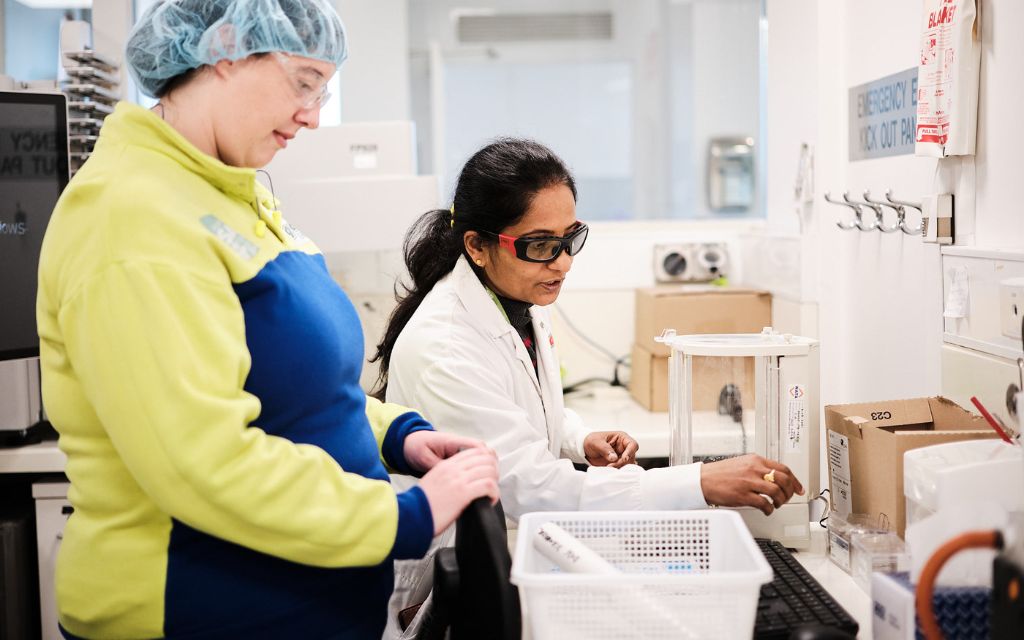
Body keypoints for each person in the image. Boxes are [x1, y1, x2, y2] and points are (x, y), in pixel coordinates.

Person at [35, 2, 497, 638]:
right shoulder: (131, 217)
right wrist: (403, 515)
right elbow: (203, 460)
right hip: (192, 608)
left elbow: (287, 386)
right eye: (304, 82)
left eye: (323, 92)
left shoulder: (227, 192)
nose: (312, 116)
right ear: (222, 52)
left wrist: (395, 436)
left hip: (297, 602)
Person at [373, 138, 805, 635]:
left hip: (484, 555)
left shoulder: (518, 300)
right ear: (477, 246)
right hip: (437, 581)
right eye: (540, 245)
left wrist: (577, 436)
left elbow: (521, 402)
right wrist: (699, 482)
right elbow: (531, 487)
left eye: (570, 238)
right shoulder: (443, 344)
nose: (562, 262)